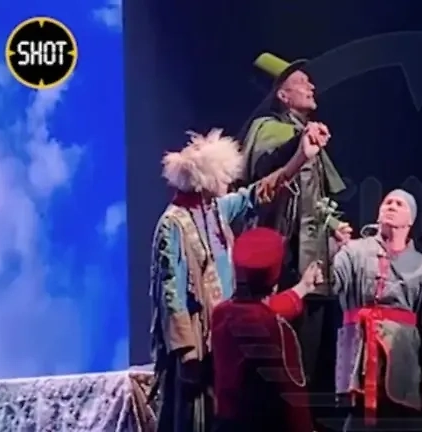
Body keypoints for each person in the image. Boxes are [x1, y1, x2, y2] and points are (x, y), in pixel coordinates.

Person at [149, 127, 327, 432]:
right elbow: (171, 292)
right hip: (198, 340)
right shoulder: (173, 223)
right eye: (224, 176)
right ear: (206, 179)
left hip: (227, 333)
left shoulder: (216, 209)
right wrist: (187, 351)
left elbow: (257, 194)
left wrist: (299, 158)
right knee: (195, 416)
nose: (229, 182)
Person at [239, 51, 351, 398]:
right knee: (282, 356)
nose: (311, 86)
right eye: (302, 82)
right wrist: (298, 144)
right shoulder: (268, 129)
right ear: (283, 95)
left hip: (312, 261)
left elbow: (314, 199)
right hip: (283, 261)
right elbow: (268, 165)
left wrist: (334, 225)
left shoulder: (306, 134)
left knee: (309, 361)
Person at [330, 189, 422, 430]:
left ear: (410, 219)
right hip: (359, 358)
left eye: (399, 204)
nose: (391, 206)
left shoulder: (421, 266)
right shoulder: (354, 251)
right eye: (387, 202)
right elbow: (329, 283)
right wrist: (331, 248)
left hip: (402, 358)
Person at [211, 227, 325, 432]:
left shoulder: (221, 315)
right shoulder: (278, 331)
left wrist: (303, 288)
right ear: (275, 281)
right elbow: (293, 404)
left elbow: (257, 311)